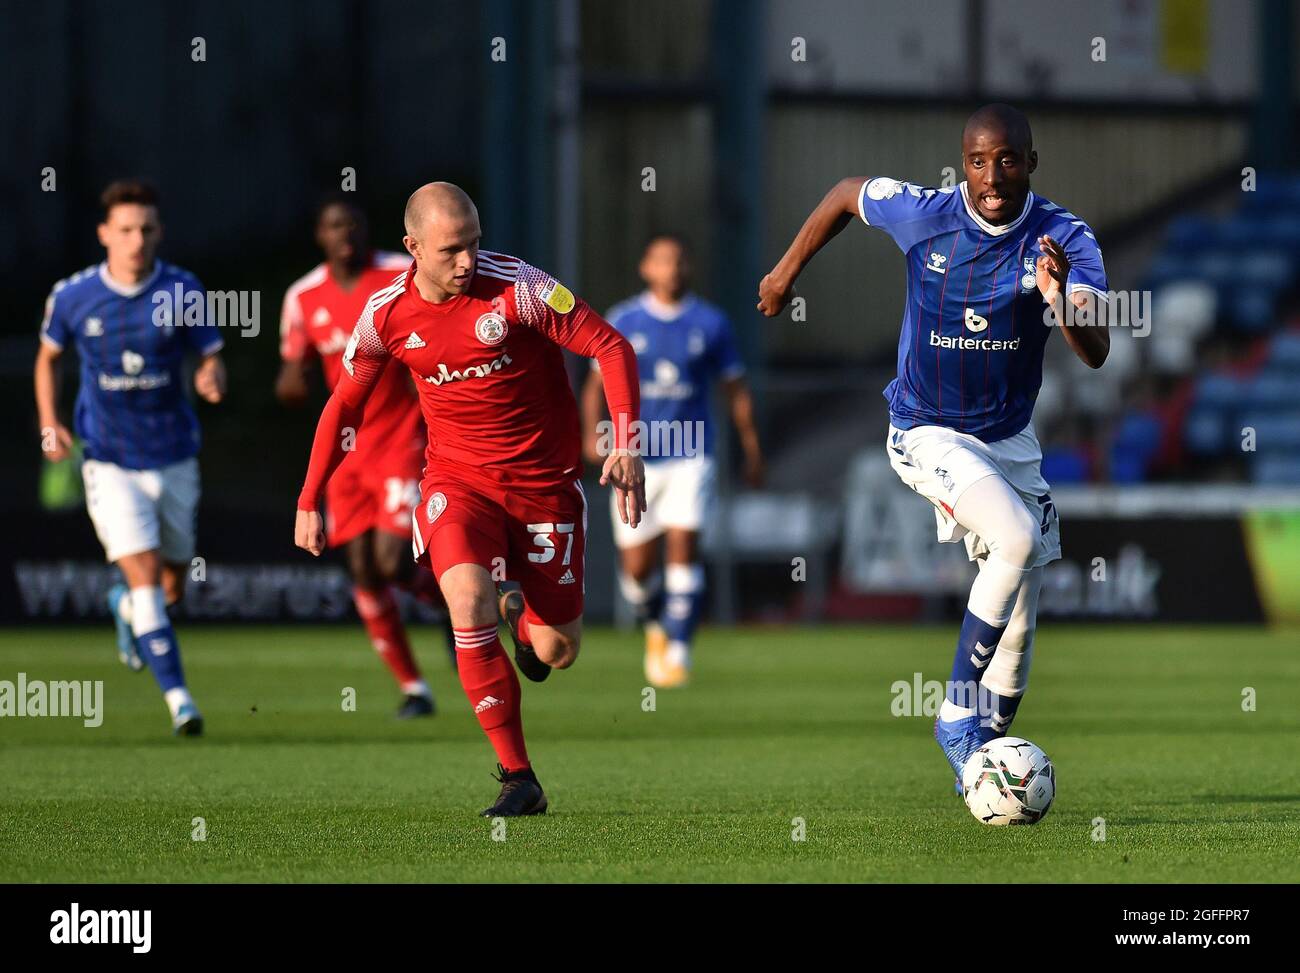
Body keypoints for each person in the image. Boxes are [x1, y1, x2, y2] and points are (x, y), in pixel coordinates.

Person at [758, 105, 1109, 792]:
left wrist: (1060, 296)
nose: (992, 175)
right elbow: (843, 194)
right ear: (963, 162)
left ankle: (985, 767)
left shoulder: (1065, 237)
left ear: (1030, 163)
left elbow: (1096, 350)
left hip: (1008, 440)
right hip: (926, 429)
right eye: (978, 160)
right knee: (1012, 540)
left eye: (1007, 159)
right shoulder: (924, 211)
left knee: (1022, 619)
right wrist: (782, 273)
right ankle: (955, 716)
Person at [294, 182, 645, 816]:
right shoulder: (385, 315)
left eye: (475, 244)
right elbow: (344, 402)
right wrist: (309, 495)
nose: (467, 261)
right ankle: (519, 778)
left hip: (545, 487)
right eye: (452, 250)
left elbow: (610, 347)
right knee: (464, 599)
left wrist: (625, 441)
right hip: (458, 482)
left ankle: (519, 612)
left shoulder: (522, 290)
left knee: (557, 652)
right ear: (413, 248)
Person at [34, 179, 227, 735]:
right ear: (104, 235)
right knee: (145, 577)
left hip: (173, 456)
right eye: (125, 230)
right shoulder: (72, 296)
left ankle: (125, 609)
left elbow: (211, 358)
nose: (136, 240)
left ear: (158, 232)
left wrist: (212, 378)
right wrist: (51, 423)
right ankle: (181, 702)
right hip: (108, 459)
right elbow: (48, 358)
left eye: (145, 229)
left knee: (170, 585)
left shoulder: (183, 290)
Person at [278, 194, 453, 719]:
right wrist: (292, 380)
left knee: (391, 559)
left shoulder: (402, 272)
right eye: (334, 226)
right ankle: (414, 687)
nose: (345, 234)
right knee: (362, 570)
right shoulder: (303, 296)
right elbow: (292, 372)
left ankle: (450, 601)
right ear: (320, 236)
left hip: (404, 438)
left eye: (353, 223)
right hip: (347, 453)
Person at [581, 233, 762, 687]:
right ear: (646, 267)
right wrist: (589, 434)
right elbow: (594, 386)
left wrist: (751, 447)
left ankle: (679, 650)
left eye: (679, 261)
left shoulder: (711, 323)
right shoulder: (623, 319)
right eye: (662, 261)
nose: (672, 269)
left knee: (684, 551)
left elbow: (735, 390)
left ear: (690, 268)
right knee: (637, 572)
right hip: (634, 458)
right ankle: (656, 625)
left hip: (691, 454)